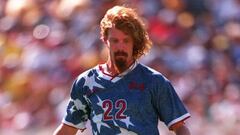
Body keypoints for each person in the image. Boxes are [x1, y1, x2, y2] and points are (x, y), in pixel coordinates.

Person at [54, 5, 191, 135]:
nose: (120, 47)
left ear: (134, 42)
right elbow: (67, 129)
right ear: (105, 40)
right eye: (115, 40)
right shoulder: (86, 82)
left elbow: (180, 128)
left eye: (126, 41)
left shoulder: (154, 81)